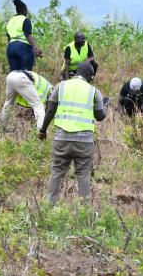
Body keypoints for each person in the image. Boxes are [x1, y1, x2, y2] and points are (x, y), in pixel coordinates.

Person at [38, 61, 107, 203]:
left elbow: (50, 110)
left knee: (56, 172)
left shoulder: (60, 86)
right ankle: (83, 211)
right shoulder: (94, 91)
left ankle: (48, 205)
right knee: (83, 175)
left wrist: (43, 130)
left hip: (61, 139)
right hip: (84, 142)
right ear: (89, 75)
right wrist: (105, 105)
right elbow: (100, 116)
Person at [1, 0, 46, 131]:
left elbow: (9, 37)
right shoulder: (25, 20)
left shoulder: (10, 21)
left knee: (14, 79)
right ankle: (34, 114)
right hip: (23, 49)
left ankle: (3, 126)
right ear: (25, 11)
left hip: (11, 48)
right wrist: (35, 48)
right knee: (26, 78)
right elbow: (28, 35)